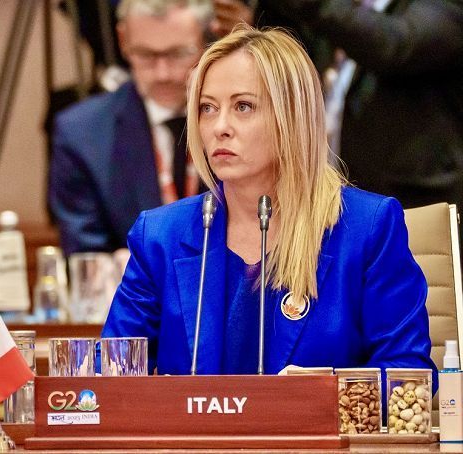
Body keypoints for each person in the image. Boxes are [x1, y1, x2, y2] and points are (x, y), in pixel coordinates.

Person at [101, 26, 436, 379]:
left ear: (292, 116)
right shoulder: (160, 235)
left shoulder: (367, 228)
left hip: (316, 419)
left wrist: (316, 398)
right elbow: (110, 375)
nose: (219, 127)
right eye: (207, 108)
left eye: (243, 106)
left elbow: (407, 373)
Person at [255, 0, 463, 214]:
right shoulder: (349, 14)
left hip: (417, 199)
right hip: (341, 188)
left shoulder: (443, 7)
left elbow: (395, 44)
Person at [49, 0, 213, 257]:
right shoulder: (81, 134)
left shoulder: (247, 121)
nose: (163, 74)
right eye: (146, 55)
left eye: (179, 53)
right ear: (123, 40)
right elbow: (86, 256)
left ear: (207, 40)